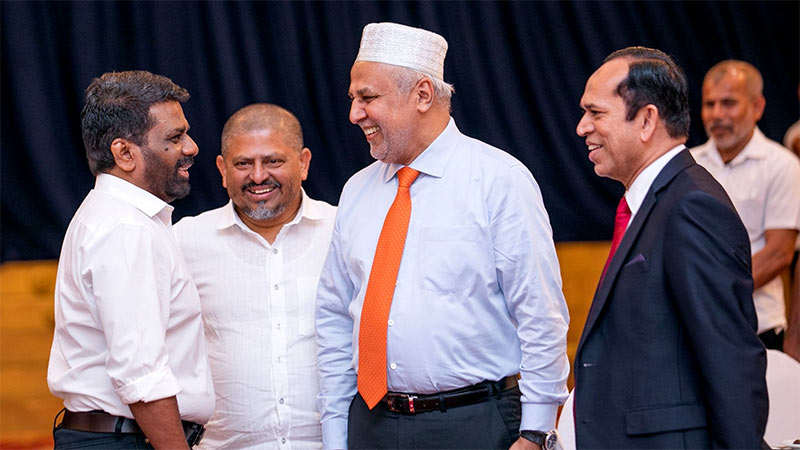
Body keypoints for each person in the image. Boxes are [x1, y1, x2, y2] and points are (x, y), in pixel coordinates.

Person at [315, 22, 569, 450]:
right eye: (353, 98)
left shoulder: (498, 180)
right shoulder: (357, 191)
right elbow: (335, 317)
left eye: (367, 98)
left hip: (475, 424)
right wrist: (336, 435)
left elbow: (540, 313)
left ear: (422, 94)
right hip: (370, 426)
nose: (354, 114)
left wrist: (536, 431)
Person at [574, 47, 768, 448]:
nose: (582, 127)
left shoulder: (692, 206)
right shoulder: (652, 201)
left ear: (646, 120)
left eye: (596, 113)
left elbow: (730, 360)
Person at [47, 70, 214, 449]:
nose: (192, 147)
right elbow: (142, 377)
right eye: (174, 137)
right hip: (126, 440)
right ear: (124, 153)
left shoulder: (118, 217)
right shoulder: (126, 228)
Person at [174, 103, 336, 448]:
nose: (258, 176)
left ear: (303, 163)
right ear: (221, 169)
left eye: (273, 161)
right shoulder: (184, 241)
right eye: (243, 164)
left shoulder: (343, 231)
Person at [690, 60, 800, 351]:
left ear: (758, 107)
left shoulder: (782, 165)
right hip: (693, 327)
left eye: (728, 103)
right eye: (709, 104)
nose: (716, 115)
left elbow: (779, 254)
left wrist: (713, 291)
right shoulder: (687, 164)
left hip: (757, 327)